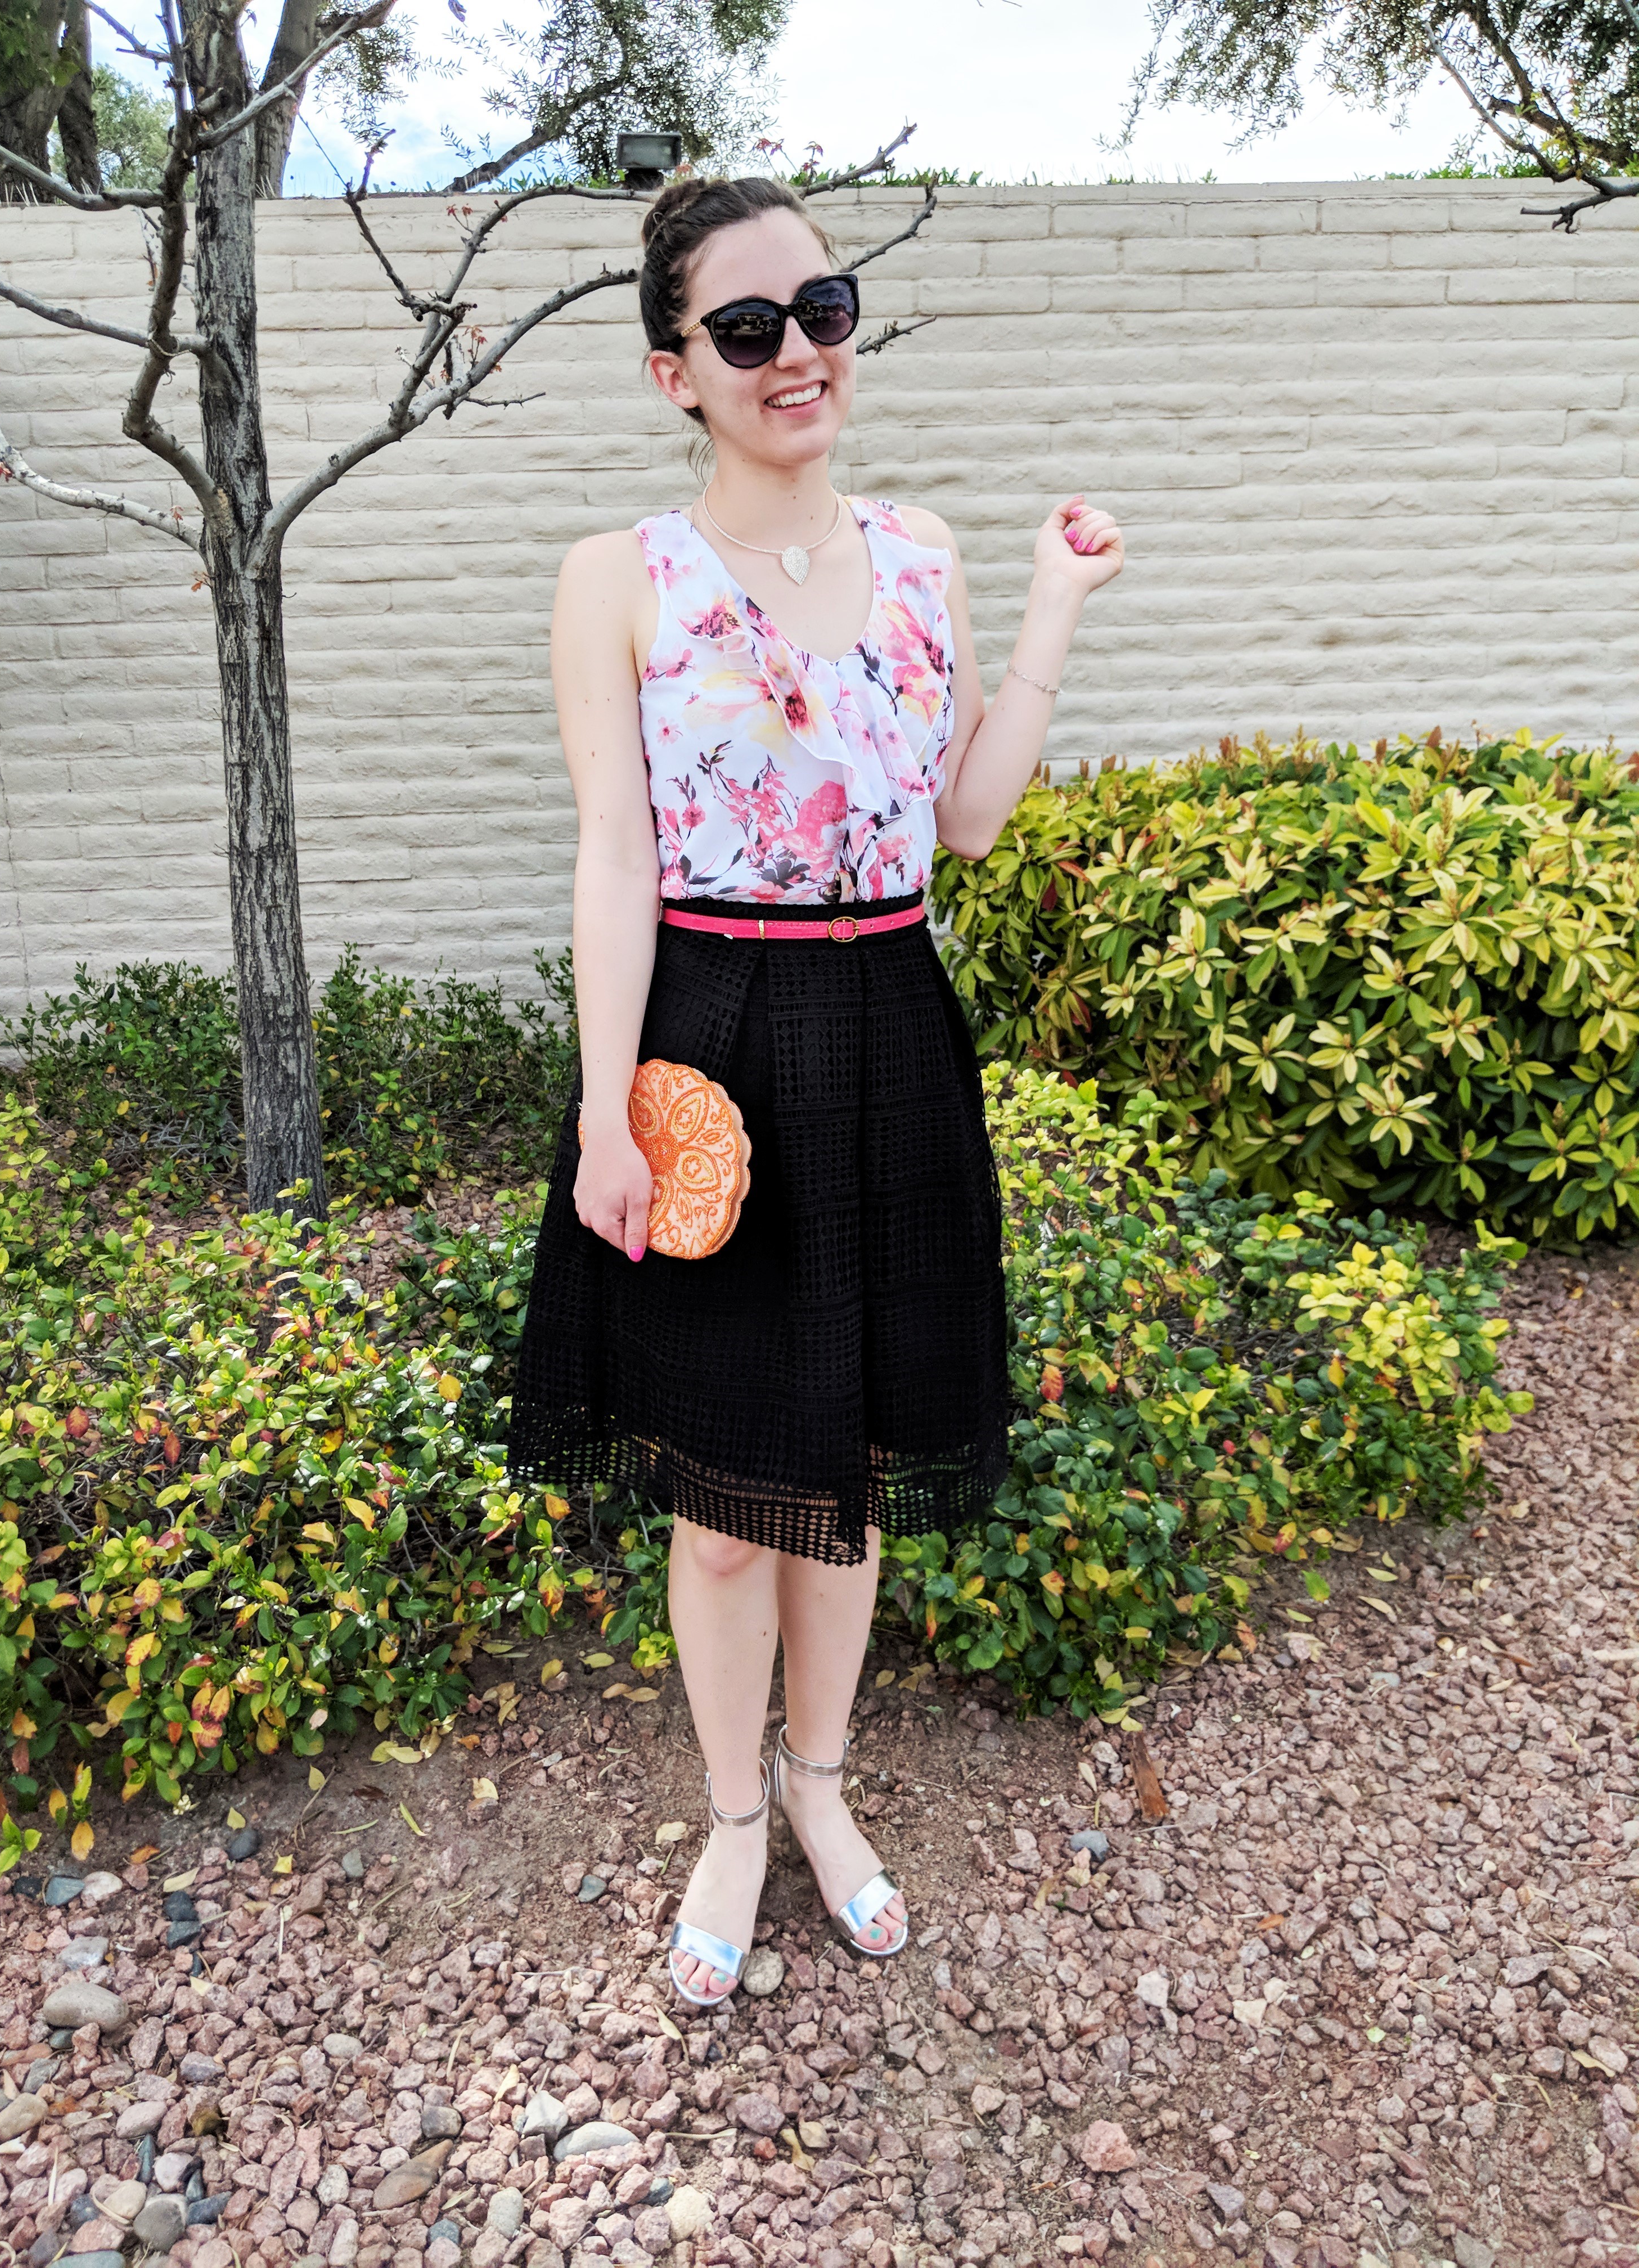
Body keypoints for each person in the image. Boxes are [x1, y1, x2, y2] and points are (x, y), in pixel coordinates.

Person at [505, 173, 1124, 2006]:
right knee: (722, 1505)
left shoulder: (922, 551)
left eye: (824, 310)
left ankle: (824, 1785)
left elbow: (968, 821)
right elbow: (616, 856)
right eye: (749, 327)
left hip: (889, 1029)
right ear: (674, 371)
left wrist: (1051, 611)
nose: (798, 353)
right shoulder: (618, 579)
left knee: (842, 1472)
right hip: (711, 1030)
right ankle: (730, 1814)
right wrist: (607, 1111)